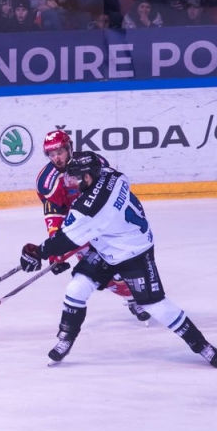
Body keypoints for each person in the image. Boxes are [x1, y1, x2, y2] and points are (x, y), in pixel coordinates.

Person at [20, 151, 217, 367]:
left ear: (88, 177)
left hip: (134, 252)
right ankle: (65, 339)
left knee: (155, 305)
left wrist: (37, 252)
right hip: (109, 245)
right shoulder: (112, 175)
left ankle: (203, 347)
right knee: (76, 289)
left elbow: (65, 240)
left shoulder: (89, 210)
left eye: (76, 177)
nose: (71, 182)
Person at [35, 131, 149, 323]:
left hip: (104, 222)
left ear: (69, 148)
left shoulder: (93, 163)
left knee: (123, 265)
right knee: (103, 275)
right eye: (51, 154)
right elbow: (54, 213)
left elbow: (111, 193)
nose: (56, 158)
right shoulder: (47, 181)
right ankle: (131, 298)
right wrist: (56, 246)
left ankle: (136, 295)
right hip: (78, 226)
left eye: (60, 152)